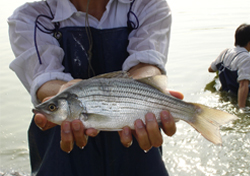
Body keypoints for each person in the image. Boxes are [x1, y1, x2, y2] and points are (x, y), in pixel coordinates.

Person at [8, 0, 183, 175]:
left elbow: (147, 62)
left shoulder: (147, 4)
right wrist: (63, 93)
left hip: (137, 131)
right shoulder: (30, 17)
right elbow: (44, 79)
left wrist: (143, 93)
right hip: (61, 145)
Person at [208, 24, 250, 109]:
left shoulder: (225, 52)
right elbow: (243, 84)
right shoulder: (246, 58)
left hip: (225, 92)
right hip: (238, 95)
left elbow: (211, 69)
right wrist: (241, 108)